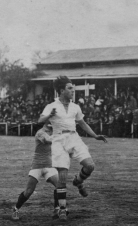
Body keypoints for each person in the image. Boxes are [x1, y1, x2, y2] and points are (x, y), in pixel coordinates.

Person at [38, 76, 107, 222]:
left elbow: (82, 123)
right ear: (61, 90)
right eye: (70, 88)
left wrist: (95, 136)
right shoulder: (52, 106)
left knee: (90, 165)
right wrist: (48, 116)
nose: (72, 91)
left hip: (74, 138)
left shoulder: (75, 107)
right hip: (58, 140)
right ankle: (62, 209)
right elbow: (40, 120)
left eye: (72, 88)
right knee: (62, 177)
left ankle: (78, 181)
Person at [11, 123, 60, 221]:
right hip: (37, 165)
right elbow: (47, 140)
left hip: (49, 165)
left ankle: (57, 209)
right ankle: (15, 209)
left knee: (60, 186)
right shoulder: (40, 133)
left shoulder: (53, 132)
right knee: (29, 191)